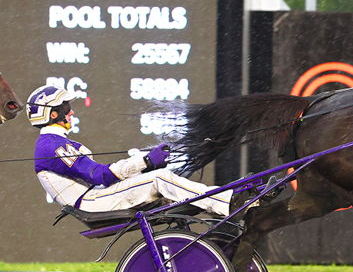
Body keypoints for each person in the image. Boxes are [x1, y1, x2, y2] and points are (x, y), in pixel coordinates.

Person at [26, 85, 252, 219]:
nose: (71, 112)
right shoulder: (51, 145)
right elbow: (100, 176)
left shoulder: (53, 143)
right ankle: (228, 202)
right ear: (53, 114)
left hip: (94, 198)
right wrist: (144, 161)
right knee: (160, 179)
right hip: (91, 203)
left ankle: (223, 199)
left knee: (157, 176)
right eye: (66, 108)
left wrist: (147, 164)